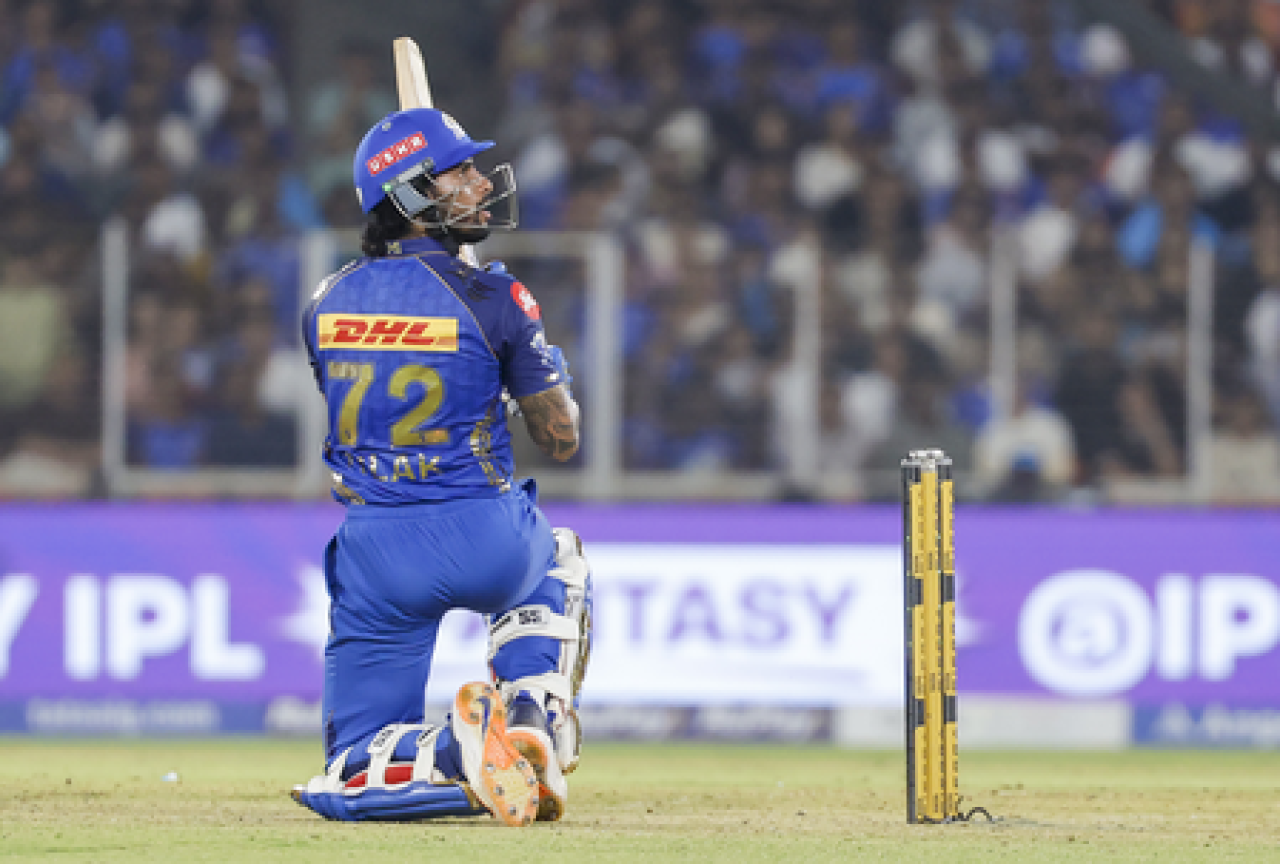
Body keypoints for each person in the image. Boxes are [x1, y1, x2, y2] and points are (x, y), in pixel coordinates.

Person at [291, 108, 592, 827]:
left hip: (376, 551)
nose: (482, 183)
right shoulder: (497, 298)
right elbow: (560, 437)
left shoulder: (323, 303)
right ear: (410, 196)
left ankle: (455, 751)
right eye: (461, 172)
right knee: (559, 560)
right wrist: (539, 368)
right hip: (486, 534)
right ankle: (529, 715)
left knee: (354, 761)